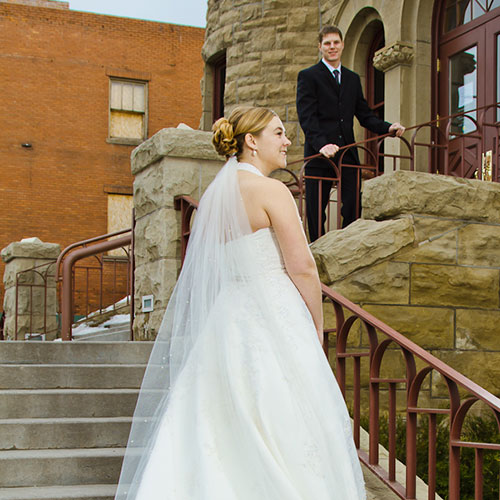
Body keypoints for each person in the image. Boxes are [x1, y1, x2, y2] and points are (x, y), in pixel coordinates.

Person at [115, 106, 366, 500]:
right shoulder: (271, 190)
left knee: (212, 427)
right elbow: (302, 268)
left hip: (226, 322)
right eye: (279, 133)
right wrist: (315, 328)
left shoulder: (215, 198)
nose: (287, 142)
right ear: (252, 141)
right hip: (276, 319)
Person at [297, 25, 405, 241]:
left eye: (336, 42)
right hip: (320, 155)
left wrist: (387, 128)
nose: (332, 47)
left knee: (353, 204)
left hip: (347, 153)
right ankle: (319, 252)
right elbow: (307, 117)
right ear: (320, 47)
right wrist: (321, 145)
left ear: (342, 45)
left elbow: (365, 115)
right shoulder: (308, 76)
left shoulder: (352, 79)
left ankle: (347, 245)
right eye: (327, 43)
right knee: (316, 211)